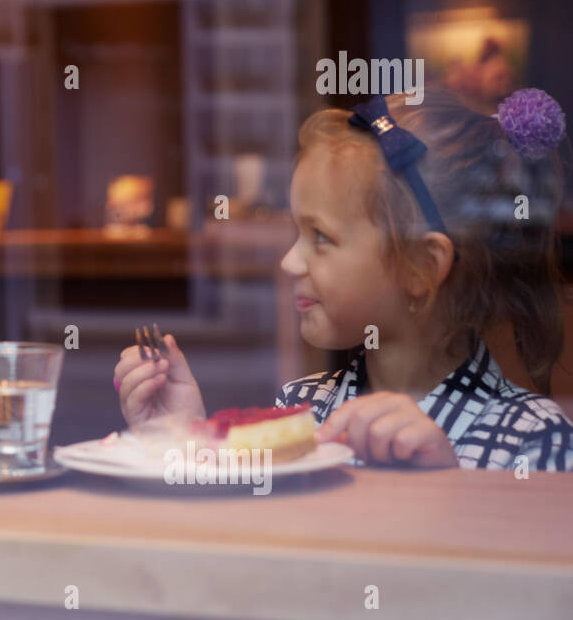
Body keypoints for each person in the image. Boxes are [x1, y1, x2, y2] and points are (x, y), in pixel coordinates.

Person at [115, 89, 573, 471]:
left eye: (321, 237)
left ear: (421, 267)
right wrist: (182, 439)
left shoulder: (534, 443)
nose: (290, 263)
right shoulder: (302, 408)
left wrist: (446, 484)